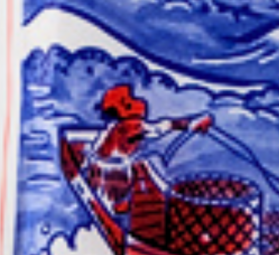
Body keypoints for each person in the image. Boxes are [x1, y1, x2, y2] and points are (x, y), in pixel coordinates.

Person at [88, 85, 213, 215]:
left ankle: (159, 194)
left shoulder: (136, 125)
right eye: (130, 102)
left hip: (119, 166)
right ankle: (114, 206)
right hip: (108, 168)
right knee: (126, 175)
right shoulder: (121, 130)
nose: (140, 103)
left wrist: (192, 124)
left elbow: (165, 126)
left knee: (149, 162)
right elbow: (127, 140)